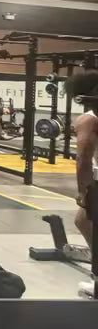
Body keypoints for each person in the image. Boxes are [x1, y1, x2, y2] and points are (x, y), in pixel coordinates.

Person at [64, 72, 98, 298]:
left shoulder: (87, 120)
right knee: (82, 220)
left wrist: (83, 192)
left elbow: (83, 158)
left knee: (85, 221)